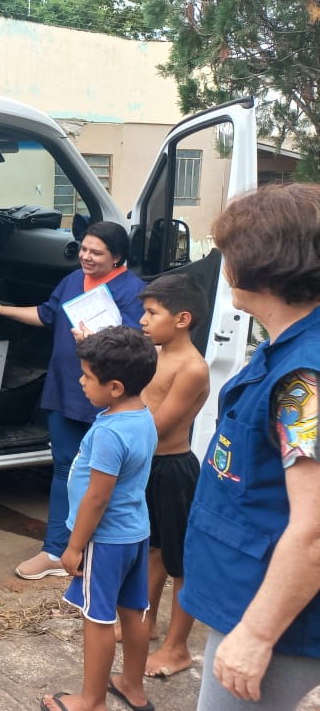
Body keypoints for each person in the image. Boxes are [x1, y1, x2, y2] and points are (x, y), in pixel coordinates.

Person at [180, 183, 320, 709]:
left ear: (258, 264)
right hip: (253, 591)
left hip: (278, 616)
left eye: (225, 253)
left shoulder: (304, 378)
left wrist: (257, 634)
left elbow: (314, 529)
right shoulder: (291, 348)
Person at [0, 221, 146, 581]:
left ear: (117, 257)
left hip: (105, 399)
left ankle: (95, 551)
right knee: (65, 472)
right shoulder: (72, 281)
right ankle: (56, 550)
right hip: (66, 390)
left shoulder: (133, 291)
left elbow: (137, 347)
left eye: (95, 252)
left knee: (102, 478)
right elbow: (46, 314)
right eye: (83, 248)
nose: (85, 256)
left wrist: (95, 336)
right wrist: (2, 309)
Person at [41, 326, 158, 711]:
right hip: (135, 534)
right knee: (134, 611)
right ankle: (132, 687)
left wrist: (74, 546)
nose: (81, 381)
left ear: (115, 387)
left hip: (104, 540)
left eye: (88, 377)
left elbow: (98, 495)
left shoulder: (109, 431)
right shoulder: (142, 416)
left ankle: (91, 701)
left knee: (98, 617)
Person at [132, 274, 210, 679]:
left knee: (182, 564)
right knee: (152, 552)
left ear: (182, 318)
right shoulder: (154, 354)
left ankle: (177, 648)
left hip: (174, 471)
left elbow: (156, 427)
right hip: (148, 467)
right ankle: (143, 625)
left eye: (151, 313)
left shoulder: (192, 367)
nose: (143, 321)